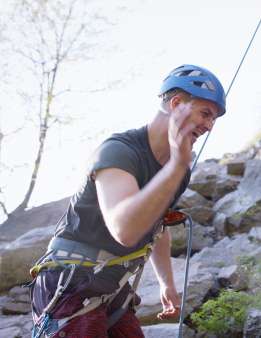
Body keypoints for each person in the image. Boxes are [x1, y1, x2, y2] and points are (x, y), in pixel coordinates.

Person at [29, 64, 227, 337]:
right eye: (205, 114)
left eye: (213, 119)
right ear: (176, 104)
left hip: (114, 288)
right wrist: (176, 167)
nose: (209, 126)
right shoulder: (119, 151)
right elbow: (125, 229)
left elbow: (157, 224)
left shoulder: (175, 168)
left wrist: (166, 283)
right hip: (70, 282)